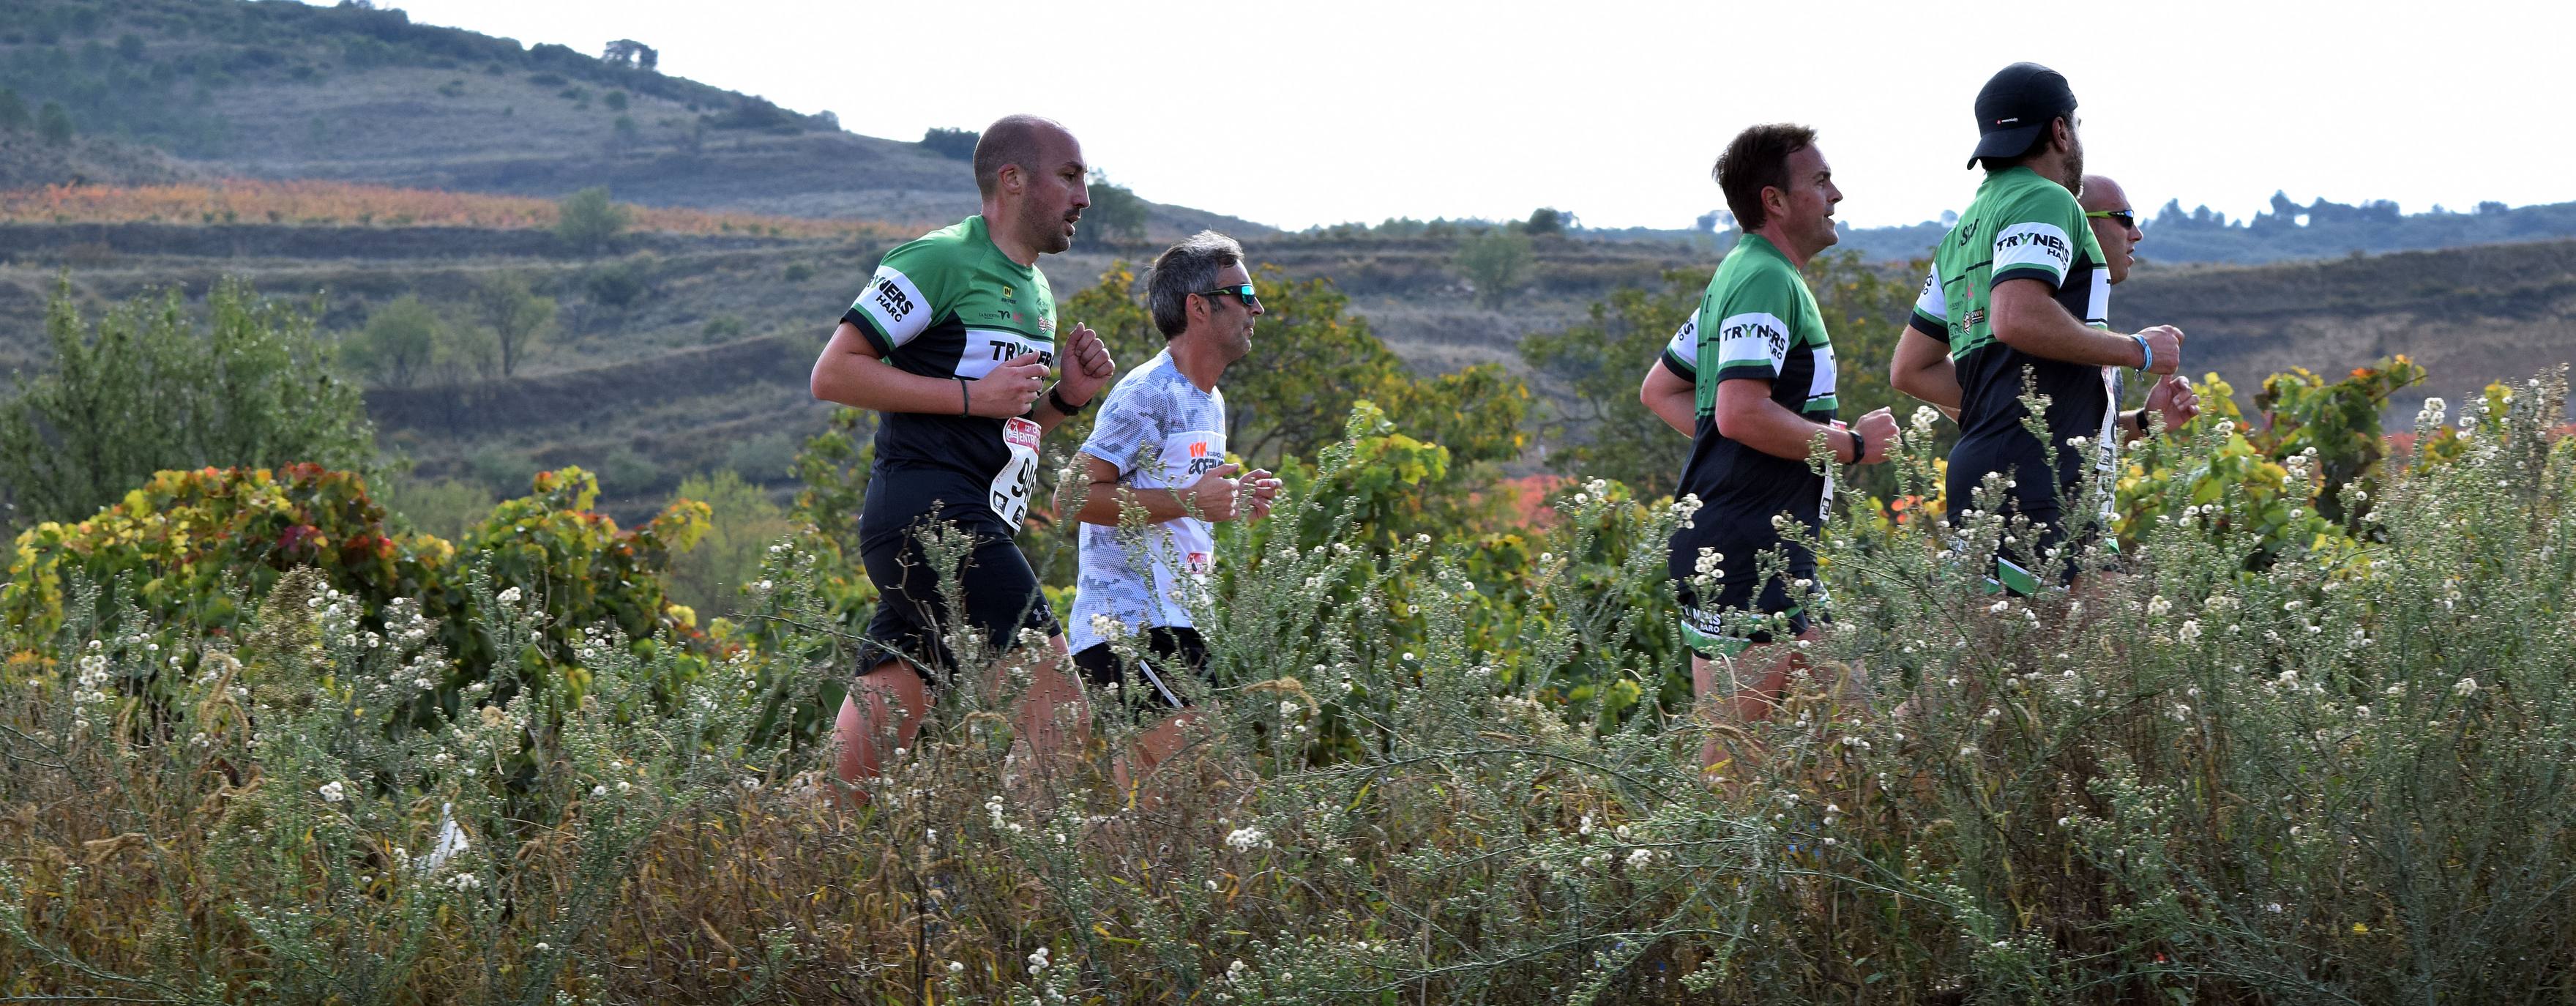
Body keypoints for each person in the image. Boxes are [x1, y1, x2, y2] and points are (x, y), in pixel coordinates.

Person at [810, 113, 1119, 791]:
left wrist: (1065, 398)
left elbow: (1003, 420)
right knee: (1060, 712)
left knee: (849, 782)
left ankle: (776, 869)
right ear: (1012, 180)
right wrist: (969, 395)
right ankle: (1018, 885)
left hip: (954, 524)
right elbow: (832, 374)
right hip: (931, 518)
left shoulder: (1036, 289)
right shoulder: (938, 259)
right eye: (1069, 177)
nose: (1084, 198)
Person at [1884, 64, 2189, 591]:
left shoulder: (1963, 230)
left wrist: (2001, 415)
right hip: (2038, 489)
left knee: (2018, 671)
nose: (2134, 232)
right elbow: (2016, 316)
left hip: (1992, 480)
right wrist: (2139, 350)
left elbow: (1910, 369)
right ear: (2059, 131)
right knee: (2104, 663)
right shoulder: (2047, 198)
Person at [1653, 122, 1897, 767]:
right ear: (1775, 201)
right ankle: (1705, 868)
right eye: (1819, 182)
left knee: (1865, 742)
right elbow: (1737, 413)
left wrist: (1751, 448)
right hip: (1744, 552)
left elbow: (1664, 392)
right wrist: (1848, 447)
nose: (1836, 194)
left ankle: (1822, 863)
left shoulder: (1743, 275)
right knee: (1734, 771)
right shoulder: (1764, 281)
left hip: (1768, 551)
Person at [1056, 231, 1280, 793]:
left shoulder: (1208, 399)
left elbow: (1183, 502)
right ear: (1198, 307)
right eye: (1244, 291)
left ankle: (1054, 879)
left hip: (1180, 621)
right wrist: (1188, 501)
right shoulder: (1147, 392)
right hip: (1132, 627)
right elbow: (1073, 497)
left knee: (1159, 818)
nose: (1258, 307)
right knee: (1211, 793)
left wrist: (1229, 500)